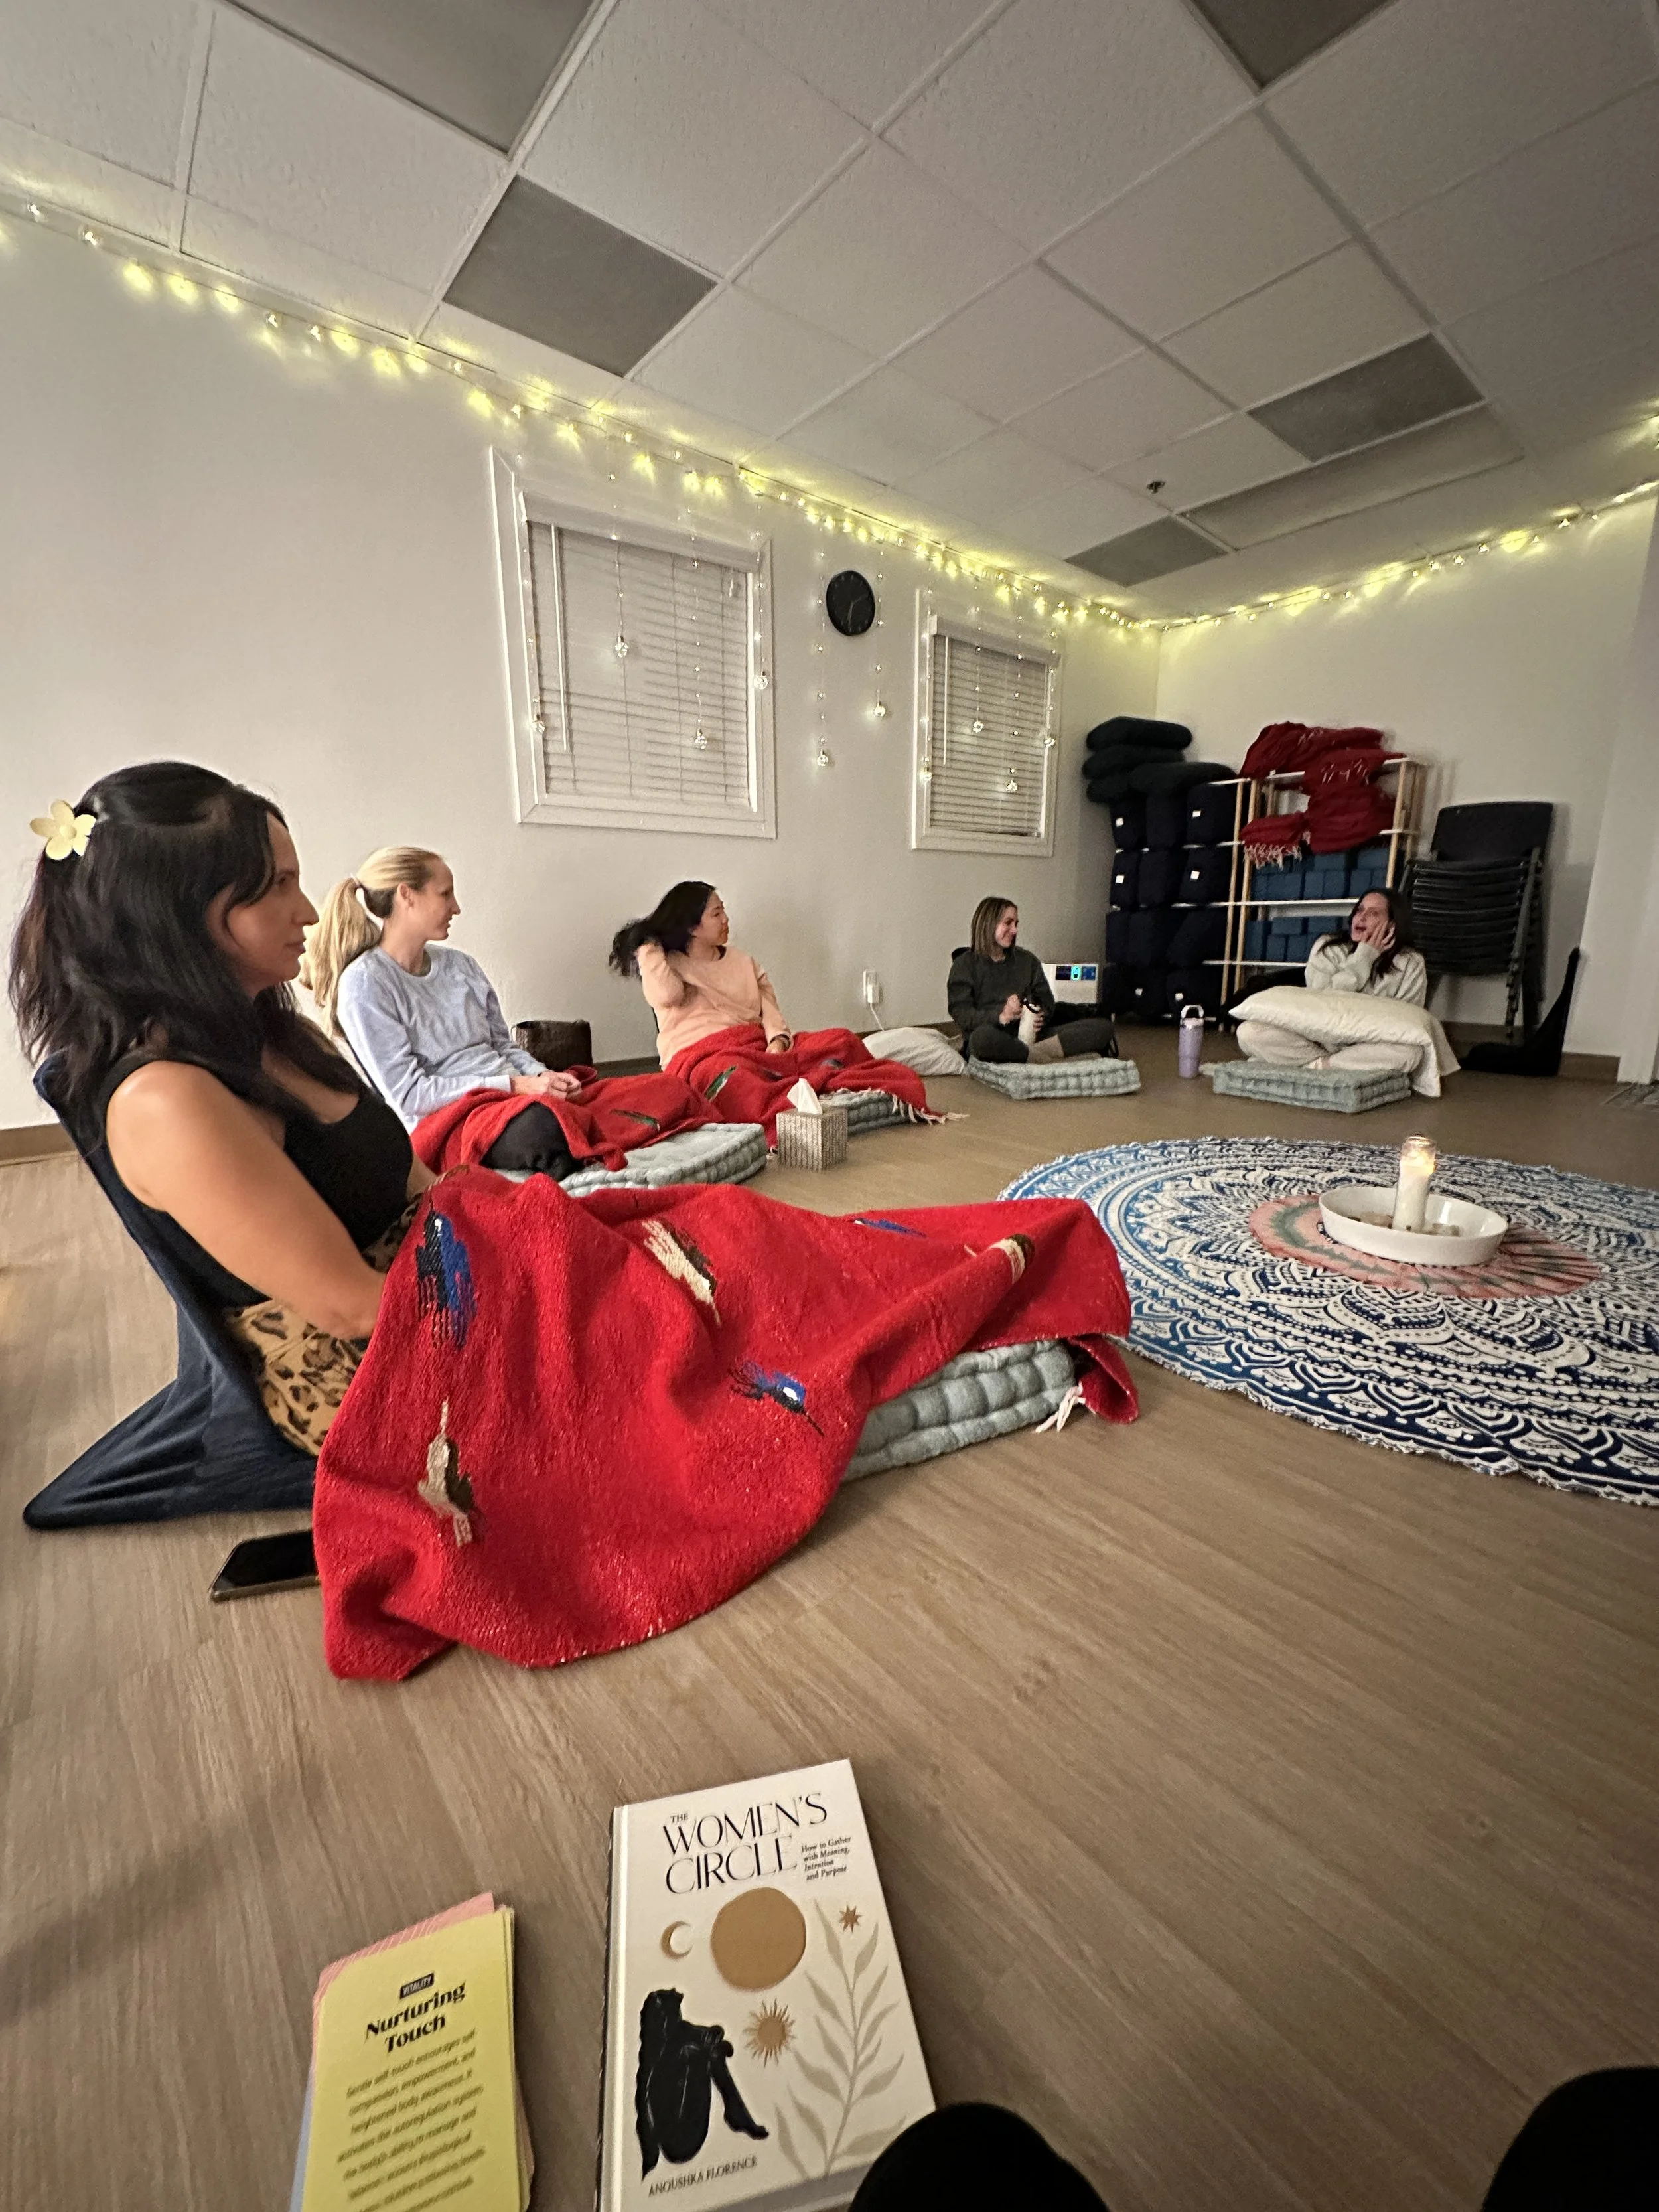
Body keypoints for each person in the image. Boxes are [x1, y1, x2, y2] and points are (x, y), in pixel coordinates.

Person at [301, 846, 581, 1170]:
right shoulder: (366, 983)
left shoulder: (462, 966)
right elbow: (412, 1096)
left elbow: (503, 1046)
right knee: (548, 1129)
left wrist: (544, 1075)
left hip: (516, 1099)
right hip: (453, 1121)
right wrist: (515, 1086)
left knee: (608, 1098)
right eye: (445, 894)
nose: (456, 907)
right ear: (407, 896)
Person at [609, 883, 932, 1136]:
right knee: (733, 1076)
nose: (726, 919)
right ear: (693, 927)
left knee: (842, 1040)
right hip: (704, 1058)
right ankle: (790, 1106)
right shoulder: (666, 965)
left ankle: (793, 1091)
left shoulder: (744, 962)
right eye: (716, 914)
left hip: (756, 1048)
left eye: (724, 910)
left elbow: (771, 1013)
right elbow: (667, 995)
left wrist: (778, 1041)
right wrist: (647, 947)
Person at [1236, 886, 1429, 1074]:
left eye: (1374, 913)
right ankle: (1336, 1064)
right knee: (1249, 1032)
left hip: (1370, 1044)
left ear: (1392, 925)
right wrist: (1365, 956)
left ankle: (1315, 1066)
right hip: (1316, 1039)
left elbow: (1408, 1022)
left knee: (1411, 1052)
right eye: (1360, 910)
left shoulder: (1411, 963)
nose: (1361, 917)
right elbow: (1323, 1004)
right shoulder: (1328, 948)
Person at [948, 897, 1119, 1065]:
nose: (1014, 930)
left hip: (1033, 1037)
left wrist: (1040, 1015)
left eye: (1016, 924)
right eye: (1008, 923)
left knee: (1103, 1028)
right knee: (980, 1039)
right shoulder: (964, 965)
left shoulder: (1027, 960)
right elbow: (962, 1013)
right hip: (994, 1036)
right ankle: (1040, 1058)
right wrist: (1001, 1016)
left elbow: (1047, 1002)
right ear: (989, 924)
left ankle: (1028, 1055)